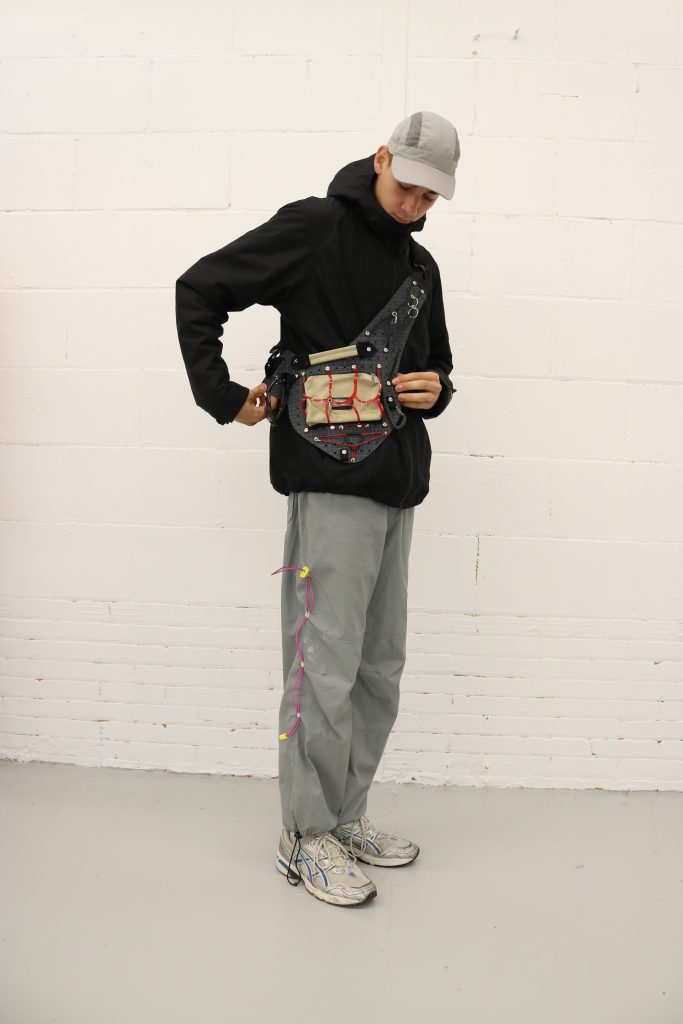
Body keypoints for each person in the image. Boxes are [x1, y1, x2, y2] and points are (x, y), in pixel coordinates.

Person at [175, 110, 459, 908]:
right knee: (322, 666)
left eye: (431, 196)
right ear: (381, 158)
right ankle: (304, 836)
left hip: (398, 480)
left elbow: (437, 364)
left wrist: (435, 390)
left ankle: (345, 816)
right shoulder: (314, 228)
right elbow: (200, 288)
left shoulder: (421, 267)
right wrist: (223, 396)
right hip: (330, 481)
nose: (415, 205)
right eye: (407, 187)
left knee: (379, 666)